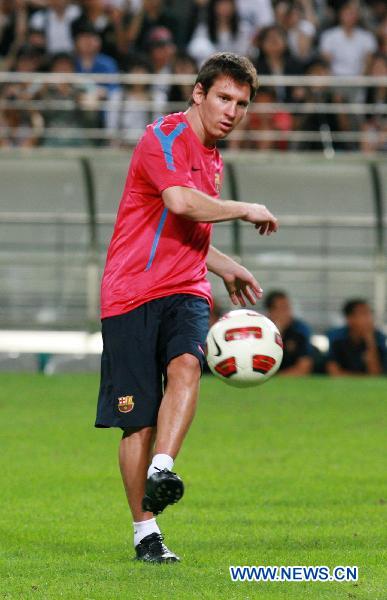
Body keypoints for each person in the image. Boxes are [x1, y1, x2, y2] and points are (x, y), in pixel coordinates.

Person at [95, 52, 278, 563]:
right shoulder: (164, 138)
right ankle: (144, 531)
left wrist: (221, 265)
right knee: (137, 421)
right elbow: (178, 203)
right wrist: (243, 209)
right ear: (198, 93)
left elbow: (185, 226)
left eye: (241, 104)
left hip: (185, 287)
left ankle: (162, 468)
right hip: (130, 291)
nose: (232, 111)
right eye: (223, 98)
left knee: (188, 363)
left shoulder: (213, 156)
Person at [326, 299, 387, 376]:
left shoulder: (379, 338)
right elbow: (334, 372)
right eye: (363, 314)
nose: (368, 318)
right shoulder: (336, 337)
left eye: (369, 314)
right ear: (349, 319)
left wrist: (370, 343)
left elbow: (375, 374)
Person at [264, 290, 314, 376]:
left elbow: (304, 367)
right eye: (282, 308)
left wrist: (276, 377)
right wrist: (278, 332)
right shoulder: (262, 330)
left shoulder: (300, 330)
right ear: (270, 311)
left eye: (288, 307)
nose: (287, 312)